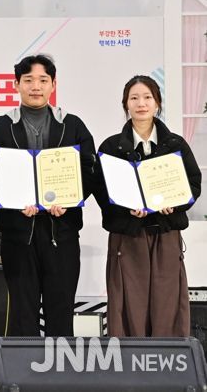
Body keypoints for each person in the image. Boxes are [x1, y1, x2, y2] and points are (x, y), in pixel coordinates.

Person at [0, 54, 96, 337]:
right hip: (18, 234)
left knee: (61, 308)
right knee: (22, 311)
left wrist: (69, 201)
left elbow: (89, 170)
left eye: (43, 80)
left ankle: (60, 366)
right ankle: (24, 366)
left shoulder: (73, 126)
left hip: (62, 232)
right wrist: (14, 202)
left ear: (53, 84)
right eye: (28, 80)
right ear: (16, 84)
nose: (35, 87)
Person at [96, 75, 201, 337]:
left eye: (147, 97)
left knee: (167, 303)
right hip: (127, 237)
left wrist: (174, 203)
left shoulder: (175, 144)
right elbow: (100, 189)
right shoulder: (111, 147)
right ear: (126, 104)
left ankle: (168, 359)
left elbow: (193, 183)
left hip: (166, 234)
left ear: (157, 103)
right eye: (134, 98)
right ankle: (129, 360)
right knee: (129, 302)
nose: (141, 103)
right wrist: (125, 208)